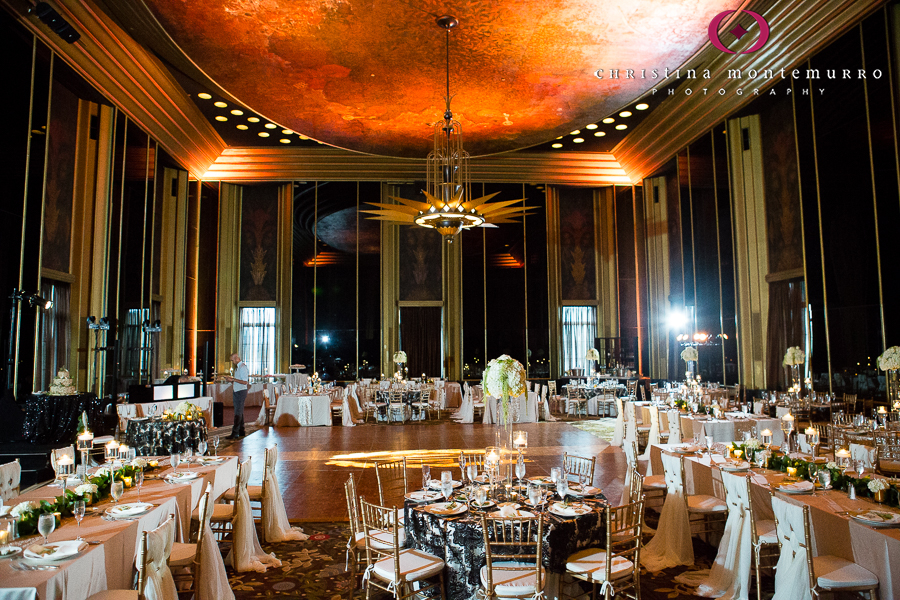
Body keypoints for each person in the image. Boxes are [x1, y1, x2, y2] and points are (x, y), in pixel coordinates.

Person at [224, 353, 250, 439]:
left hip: (240, 391)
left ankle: (235, 432)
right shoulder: (238, 368)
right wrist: (231, 380)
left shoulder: (242, 367)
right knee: (239, 411)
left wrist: (233, 379)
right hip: (237, 390)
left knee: (237, 412)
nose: (232, 362)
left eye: (232, 360)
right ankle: (241, 430)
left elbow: (245, 381)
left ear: (236, 359)